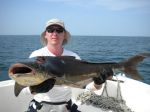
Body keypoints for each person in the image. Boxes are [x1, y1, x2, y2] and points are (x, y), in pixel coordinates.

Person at [26, 18, 81, 112]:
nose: (54, 33)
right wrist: (34, 89)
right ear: (45, 35)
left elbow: (85, 84)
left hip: (66, 106)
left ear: (64, 35)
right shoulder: (36, 55)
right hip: (40, 105)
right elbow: (23, 87)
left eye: (59, 30)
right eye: (50, 30)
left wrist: (97, 84)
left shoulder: (74, 57)